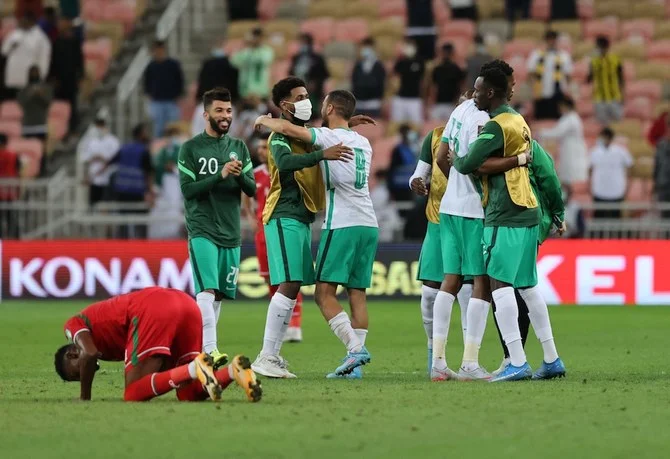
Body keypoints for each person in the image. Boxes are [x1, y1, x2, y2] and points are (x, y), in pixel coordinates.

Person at [249, 77, 370, 378]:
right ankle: (267, 355)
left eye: (307, 95)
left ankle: (272, 356)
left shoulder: (307, 135)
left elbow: (323, 133)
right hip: (283, 214)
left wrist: (346, 123)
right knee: (289, 283)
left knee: (294, 286)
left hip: (302, 217)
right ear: (285, 105)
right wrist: (321, 155)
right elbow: (285, 162)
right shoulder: (279, 136)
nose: (306, 101)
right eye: (300, 97)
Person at [451, 65, 565, 381]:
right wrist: (558, 212)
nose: (474, 95)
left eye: (477, 90)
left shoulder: (495, 127)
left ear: (490, 92)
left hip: (505, 212)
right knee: (528, 287)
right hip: (529, 212)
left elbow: (468, 164)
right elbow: (545, 170)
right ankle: (551, 359)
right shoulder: (519, 121)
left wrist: (455, 157)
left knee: (499, 284)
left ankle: (517, 361)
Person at [54, 287, 261, 402]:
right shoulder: (107, 342)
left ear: (72, 354)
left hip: (154, 308)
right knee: (188, 393)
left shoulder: (73, 325)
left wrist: (84, 397)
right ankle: (234, 371)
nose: (85, 374)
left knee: (133, 393)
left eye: (77, 373)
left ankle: (193, 367)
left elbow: (89, 354)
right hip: (186, 304)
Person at [178, 87, 256, 369]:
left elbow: (251, 188)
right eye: (219, 110)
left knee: (219, 294)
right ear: (205, 114)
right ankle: (210, 350)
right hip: (203, 229)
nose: (225, 116)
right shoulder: (191, 148)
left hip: (230, 231)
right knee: (207, 291)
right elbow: (188, 190)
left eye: (228, 111)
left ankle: (202, 349)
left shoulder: (239, 147)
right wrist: (220, 174)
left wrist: (238, 175)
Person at [409, 122, 474, 376]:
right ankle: (434, 354)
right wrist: (415, 182)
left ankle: (469, 361)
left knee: (468, 292)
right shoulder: (435, 136)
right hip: (437, 221)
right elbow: (418, 174)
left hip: (469, 220)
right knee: (429, 294)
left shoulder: (482, 133)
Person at [242, 133, 305, 343]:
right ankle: (281, 322)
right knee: (269, 278)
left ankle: (295, 324)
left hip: (284, 227)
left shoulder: (287, 170)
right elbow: (246, 196)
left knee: (289, 277)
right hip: (264, 231)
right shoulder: (255, 174)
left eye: (265, 147)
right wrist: (250, 217)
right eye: (260, 147)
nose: (261, 151)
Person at [107, 123, 154, 239]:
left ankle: (122, 244)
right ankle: (141, 244)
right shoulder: (143, 151)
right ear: (141, 134)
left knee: (123, 222)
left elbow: (109, 163)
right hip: (137, 192)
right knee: (141, 222)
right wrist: (150, 192)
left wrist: (92, 176)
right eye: (145, 132)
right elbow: (148, 173)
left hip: (122, 190)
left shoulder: (124, 148)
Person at [539, 97, 589, 188]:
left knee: (572, 177)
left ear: (566, 106)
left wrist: (542, 133)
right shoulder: (565, 118)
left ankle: (572, 193)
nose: (559, 109)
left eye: (561, 106)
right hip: (567, 149)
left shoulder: (572, 119)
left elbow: (557, 132)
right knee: (566, 177)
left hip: (573, 151)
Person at [1, 12, 51, 100]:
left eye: (24, 21)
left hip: (30, 78)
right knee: (12, 102)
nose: (21, 22)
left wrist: (41, 76)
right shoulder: (15, 33)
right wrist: (12, 45)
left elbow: (44, 59)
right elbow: (4, 51)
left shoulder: (41, 37)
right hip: (14, 76)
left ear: (31, 22)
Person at [49, 18, 84, 136]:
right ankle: (61, 130)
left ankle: (73, 128)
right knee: (59, 106)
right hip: (59, 80)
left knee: (72, 105)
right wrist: (53, 78)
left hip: (71, 79)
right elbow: (52, 62)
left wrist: (80, 76)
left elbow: (79, 61)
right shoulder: (56, 43)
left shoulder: (74, 42)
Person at [589, 127, 633, 220]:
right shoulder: (594, 151)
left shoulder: (621, 151)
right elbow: (590, 169)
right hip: (599, 190)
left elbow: (630, 166)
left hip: (616, 191)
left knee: (615, 218)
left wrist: (627, 186)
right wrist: (590, 186)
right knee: (598, 218)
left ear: (610, 138)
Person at [527, 30, 572, 120]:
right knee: (541, 121)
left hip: (558, 95)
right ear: (545, 40)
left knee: (557, 120)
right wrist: (533, 90)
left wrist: (566, 90)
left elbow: (568, 76)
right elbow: (531, 73)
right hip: (541, 94)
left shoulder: (564, 56)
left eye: (553, 39)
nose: (551, 42)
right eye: (549, 39)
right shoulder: (536, 55)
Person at [143, 40, 184, 139]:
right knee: (158, 129)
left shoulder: (173, 64)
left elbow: (180, 80)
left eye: (160, 49)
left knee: (173, 128)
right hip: (157, 101)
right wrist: (149, 94)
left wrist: (178, 95)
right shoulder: (151, 66)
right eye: (155, 50)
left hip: (171, 101)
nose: (158, 52)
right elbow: (147, 83)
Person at [79, 116, 120, 208]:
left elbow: (116, 158)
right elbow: (84, 158)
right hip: (94, 178)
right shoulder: (90, 141)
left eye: (101, 126)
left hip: (108, 178)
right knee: (93, 205)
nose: (99, 129)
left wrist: (103, 159)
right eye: (97, 126)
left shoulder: (113, 141)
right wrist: (95, 158)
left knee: (107, 205)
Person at [289, 33, 329, 119]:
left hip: (312, 92)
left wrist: (315, 83)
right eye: (301, 43)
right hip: (298, 92)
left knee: (311, 114)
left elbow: (324, 74)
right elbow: (291, 73)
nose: (302, 45)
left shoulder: (317, 58)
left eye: (304, 43)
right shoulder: (296, 58)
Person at [588, 36, 624, 126]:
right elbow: (590, 77)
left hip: (614, 97)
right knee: (603, 126)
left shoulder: (615, 59)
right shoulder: (593, 60)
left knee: (618, 123)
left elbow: (621, 78)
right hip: (599, 98)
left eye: (600, 47)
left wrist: (623, 94)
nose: (599, 49)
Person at [230, 27, 274, 101]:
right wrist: (245, 46)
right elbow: (234, 62)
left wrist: (254, 48)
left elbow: (263, 60)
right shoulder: (245, 50)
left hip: (260, 89)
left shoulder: (267, 50)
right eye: (254, 36)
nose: (256, 39)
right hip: (245, 89)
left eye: (259, 37)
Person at [391, 38, 425, 125]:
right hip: (400, 98)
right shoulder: (400, 61)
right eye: (407, 45)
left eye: (411, 45)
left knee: (417, 125)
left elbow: (423, 80)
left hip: (415, 99)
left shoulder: (420, 61)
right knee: (397, 125)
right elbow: (393, 77)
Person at [17, 65, 52, 145]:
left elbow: (47, 103)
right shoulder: (24, 90)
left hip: (41, 124)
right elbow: (22, 103)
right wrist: (30, 94)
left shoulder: (46, 89)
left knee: (41, 148)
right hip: (27, 125)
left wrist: (40, 95)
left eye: (36, 72)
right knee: (27, 147)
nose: (34, 74)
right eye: (32, 73)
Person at [430, 43, 465, 122]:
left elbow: (461, 87)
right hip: (438, 104)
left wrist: (458, 103)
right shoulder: (437, 69)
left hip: (451, 104)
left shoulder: (457, 69)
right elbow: (433, 87)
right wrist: (431, 102)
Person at [351, 37, 386, 117]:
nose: (366, 50)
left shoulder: (379, 66)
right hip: (359, 103)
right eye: (365, 47)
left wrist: (380, 99)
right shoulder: (358, 65)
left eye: (369, 47)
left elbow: (381, 83)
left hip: (373, 103)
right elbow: (354, 81)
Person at [0, 133, 21, 238]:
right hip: (10, 191)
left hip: (1, 192)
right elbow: (18, 172)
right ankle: (14, 238)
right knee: (11, 216)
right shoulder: (13, 155)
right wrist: (18, 189)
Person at [654, 116, 670, 219]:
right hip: (663, 186)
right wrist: (655, 186)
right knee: (664, 217)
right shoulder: (661, 144)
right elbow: (657, 166)